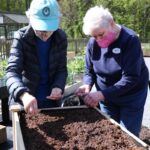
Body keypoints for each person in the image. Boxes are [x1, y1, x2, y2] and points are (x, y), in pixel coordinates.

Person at [75, 5, 149, 137]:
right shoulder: (93, 43)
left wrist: (101, 94)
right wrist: (87, 84)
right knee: (109, 132)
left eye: (101, 35)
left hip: (131, 96)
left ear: (111, 23)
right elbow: (89, 70)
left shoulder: (130, 40)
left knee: (128, 135)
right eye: (94, 36)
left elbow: (131, 78)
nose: (98, 40)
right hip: (107, 98)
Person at [6, 0, 68, 115]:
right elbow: (12, 72)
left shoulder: (61, 38)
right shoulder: (21, 37)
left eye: (49, 29)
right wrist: (23, 95)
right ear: (29, 18)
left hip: (51, 102)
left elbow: (61, 69)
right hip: (26, 102)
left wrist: (58, 86)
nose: (44, 34)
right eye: (40, 29)